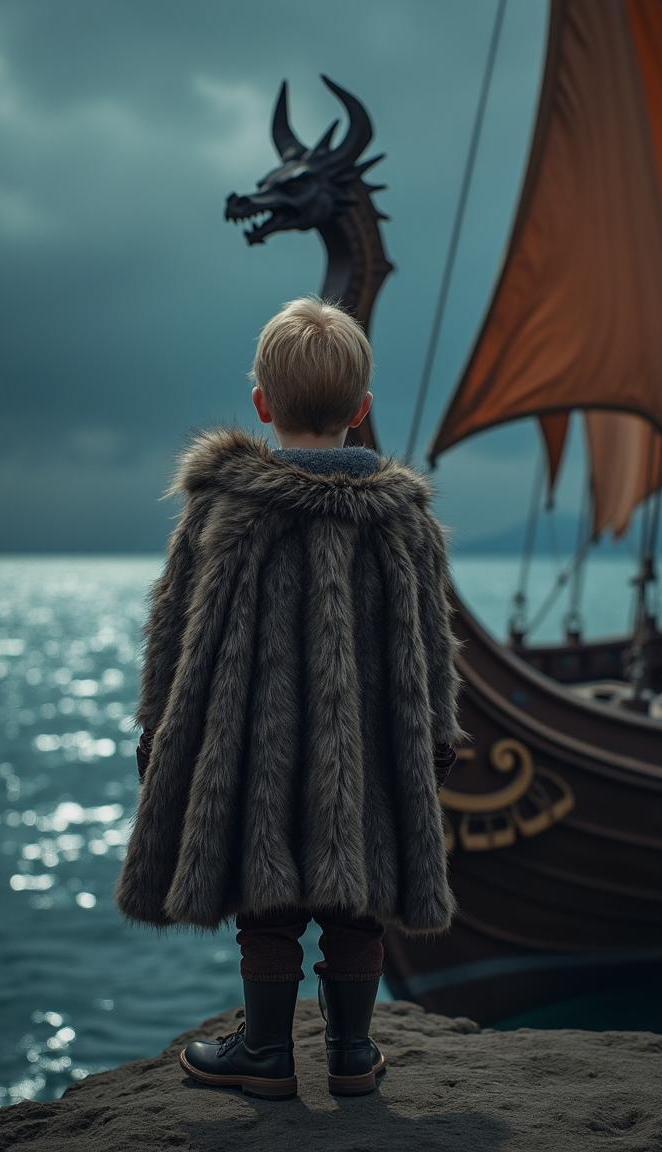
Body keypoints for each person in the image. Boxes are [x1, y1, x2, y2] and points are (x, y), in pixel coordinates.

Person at [115, 294, 468, 1100]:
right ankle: (352, 1053)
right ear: (363, 410)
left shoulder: (221, 506)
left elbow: (172, 637)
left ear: (263, 405)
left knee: (264, 904)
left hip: (250, 748)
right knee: (359, 903)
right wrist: (436, 741)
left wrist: (157, 738)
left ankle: (267, 1053)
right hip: (371, 758)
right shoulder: (404, 519)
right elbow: (430, 649)